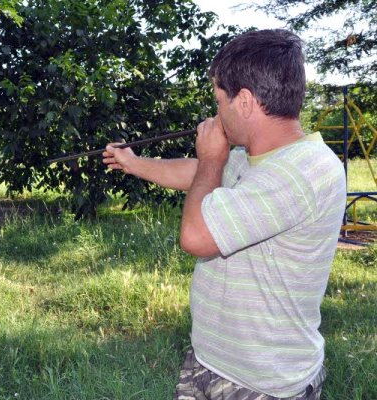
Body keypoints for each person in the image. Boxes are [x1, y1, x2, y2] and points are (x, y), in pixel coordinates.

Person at [103, 29, 346, 399]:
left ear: (245, 102)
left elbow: (197, 237)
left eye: (220, 100)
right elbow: (194, 173)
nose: (217, 113)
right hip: (213, 360)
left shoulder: (301, 171)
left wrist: (211, 157)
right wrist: (134, 164)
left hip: (260, 383)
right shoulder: (262, 161)